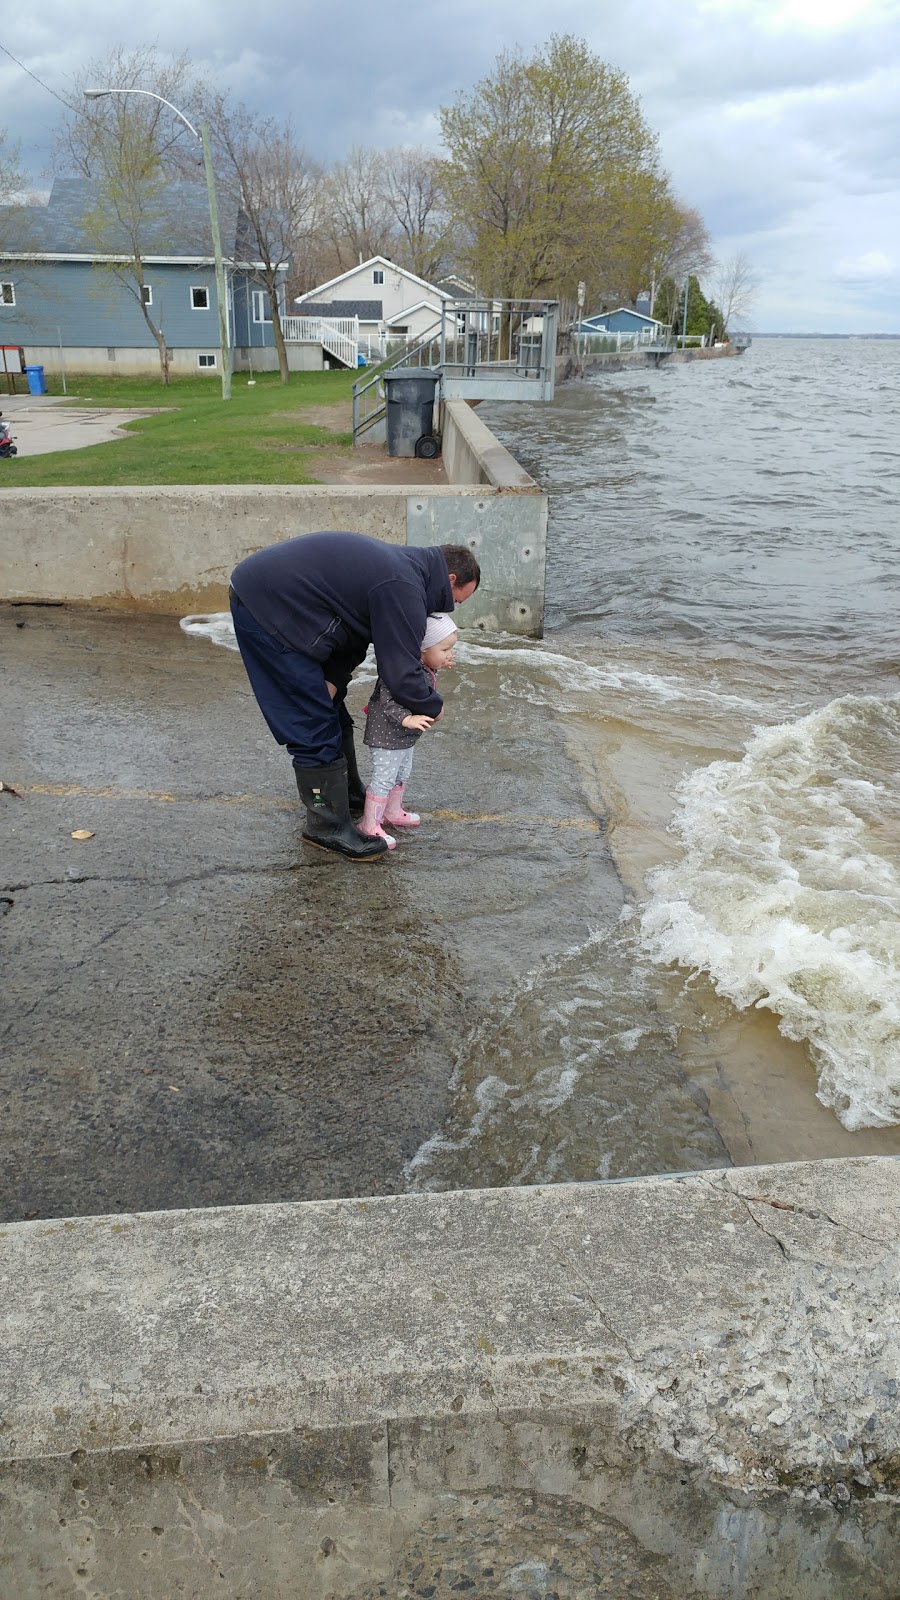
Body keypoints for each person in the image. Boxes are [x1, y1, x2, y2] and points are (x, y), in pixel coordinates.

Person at [229, 532, 480, 861]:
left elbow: (356, 629)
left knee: (328, 705)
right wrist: (434, 706)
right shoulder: (403, 585)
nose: (448, 609)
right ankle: (326, 826)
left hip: (290, 599)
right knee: (310, 717)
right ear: (449, 579)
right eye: (454, 601)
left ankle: (345, 797)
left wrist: (334, 679)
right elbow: (400, 670)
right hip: (267, 603)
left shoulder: (403, 570)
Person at [359, 613, 458, 850]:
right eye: (445, 650)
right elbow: (387, 700)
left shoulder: (423, 667)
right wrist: (408, 719)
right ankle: (368, 823)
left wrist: (440, 664)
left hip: (403, 738)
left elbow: (427, 681)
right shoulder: (400, 670)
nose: (449, 654)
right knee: (384, 779)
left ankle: (392, 811)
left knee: (402, 772)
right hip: (386, 735)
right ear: (423, 649)